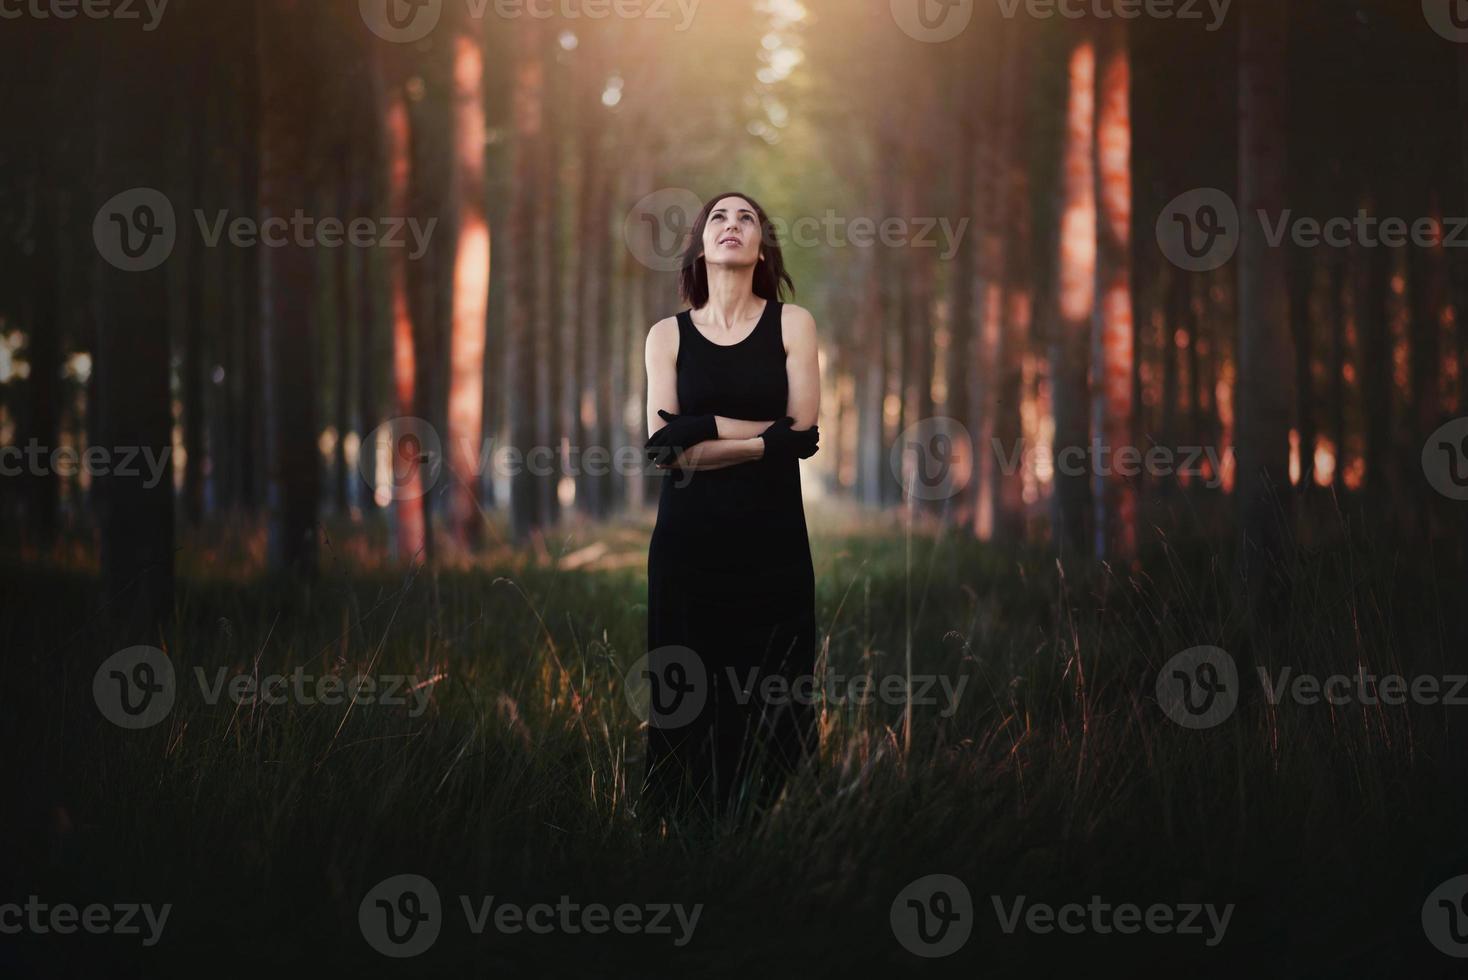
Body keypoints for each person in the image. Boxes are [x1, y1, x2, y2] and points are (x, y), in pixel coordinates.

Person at [640, 191, 822, 826]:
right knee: (685, 691)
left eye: (747, 218)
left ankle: (776, 832)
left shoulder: (793, 324)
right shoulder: (666, 336)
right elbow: (667, 451)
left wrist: (702, 428)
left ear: (762, 245)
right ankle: (683, 834)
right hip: (687, 546)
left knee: (776, 684)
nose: (732, 225)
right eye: (718, 216)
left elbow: (802, 432)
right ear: (698, 244)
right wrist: (759, 440)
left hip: (772, 543)